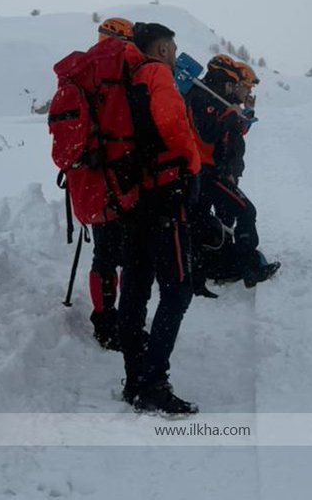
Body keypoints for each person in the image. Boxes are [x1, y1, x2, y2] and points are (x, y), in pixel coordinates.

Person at [117, 22, 203, 415]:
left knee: (135, 288)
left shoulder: (126, 79)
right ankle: (153, 383)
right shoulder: (156, 74)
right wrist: (193, 165)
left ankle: (135, 377)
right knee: (178, 290)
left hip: (133, 197)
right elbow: (172, 123)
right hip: (166, 197)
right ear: (164, 48)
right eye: (172, 45)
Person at [187, 55, 280, 288]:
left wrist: (241, 112)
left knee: (205, 221)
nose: (246, 92)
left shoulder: (217, 100)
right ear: (228, 81)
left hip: (212, 172)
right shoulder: (203, 97)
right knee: (245, 212)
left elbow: (232, 132)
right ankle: (246, 266)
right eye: (244, 86)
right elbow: (208, 134)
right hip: (206, 174)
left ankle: (218, 266)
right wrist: (231, 113)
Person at [86, 17, 135, 351]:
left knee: (103, 252)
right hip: (123, 170)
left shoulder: (83, 67)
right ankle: (113, 323)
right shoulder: (124, 65)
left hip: (89, 173)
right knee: (126, 252)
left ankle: (103, 318)